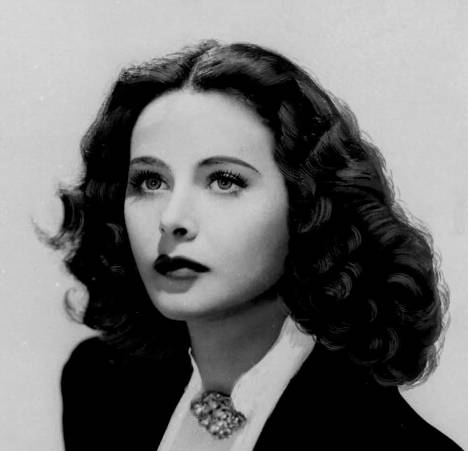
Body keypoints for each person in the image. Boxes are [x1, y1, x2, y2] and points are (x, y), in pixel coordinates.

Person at [47, 40, 462, 450]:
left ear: (305, 205)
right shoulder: (97, 384)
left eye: (224, 181)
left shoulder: (386, 439)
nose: (171, 219)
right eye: (150, 181)